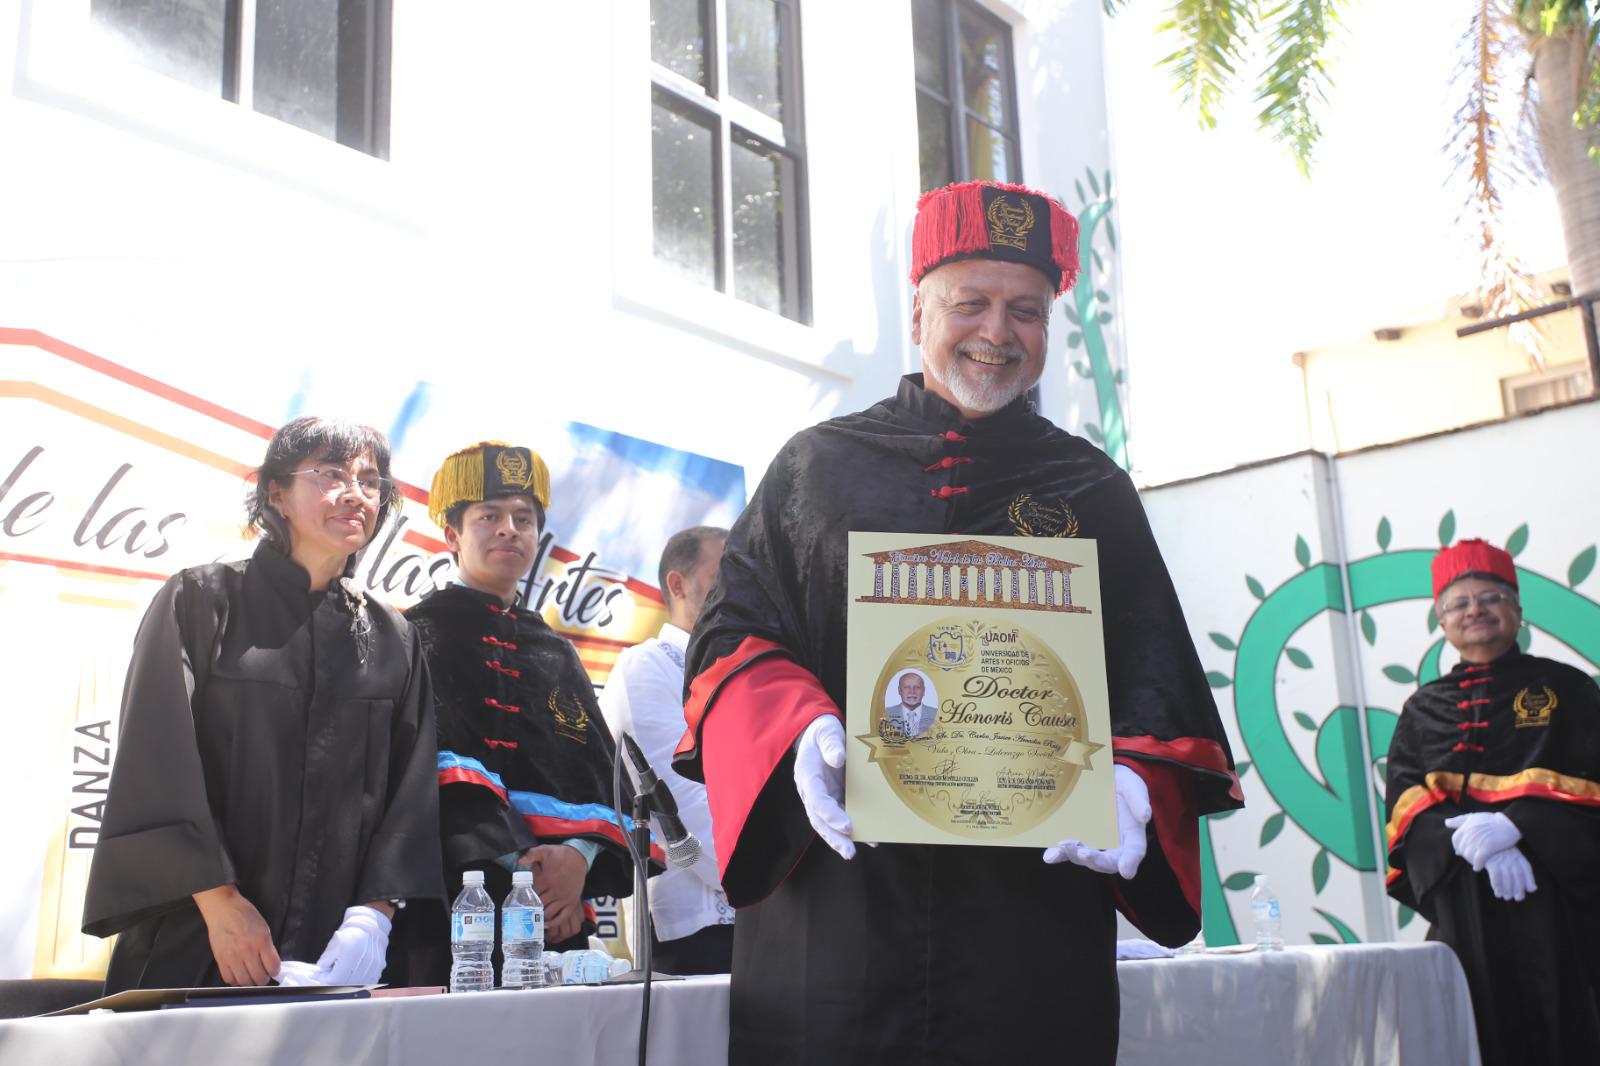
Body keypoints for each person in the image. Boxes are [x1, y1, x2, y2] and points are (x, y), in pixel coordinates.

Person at [673, 180, 1243, 1065]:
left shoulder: (1093, 490)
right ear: (917, 312)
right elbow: (730, 637)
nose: (996, 331)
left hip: (1028, 916)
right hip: (842, 908)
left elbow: (1153, 673)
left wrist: (1132, 784)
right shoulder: (815, 470)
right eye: (969, 302)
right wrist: (800, 728)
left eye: (1025, 310)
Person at [83, 417, 443, 992]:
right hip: (202, 939)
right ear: (276, 492)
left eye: (371, 482)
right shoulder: (201, 602)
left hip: (336, 955)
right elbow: (158, 765)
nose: (356, 494)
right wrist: (222, 906)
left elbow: (412, 792)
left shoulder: (391, 637)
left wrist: (374, 918)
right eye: (331, 474)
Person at [407, 441, 651, 979]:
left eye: (523, 518)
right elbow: (420, 775)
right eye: (488, 516)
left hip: (561, 920)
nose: (508, 530)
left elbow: (595, 776)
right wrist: (522, 872)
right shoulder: (417, 635)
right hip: (455, 906)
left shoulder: (555, 651)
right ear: (453, 535)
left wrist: (577, 863)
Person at [1384, 538, 1600, 1066]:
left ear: (1518, 613)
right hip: (1466, 906)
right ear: (1443, 622)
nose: (1475, 610)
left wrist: (1521, 826)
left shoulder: (1568, 689)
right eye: (1459, 603)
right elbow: (1405, 808)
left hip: (1561, 905)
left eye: (1491, 597)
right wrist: (1463, 839)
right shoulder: (1422, 708)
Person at [600, 526, 737, 975]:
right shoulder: (648, 664)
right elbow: (677, 801)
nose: (737, 590)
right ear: (677, 584)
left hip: (759, 914)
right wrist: (753, 879)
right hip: (695, 924)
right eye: (724, 573)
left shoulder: (744, 672)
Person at [884, 671, 936, 736]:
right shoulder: (886, 714)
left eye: (917, 687)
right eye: (906, 687)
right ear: (899, 690)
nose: (912, 692)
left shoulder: (935, 713)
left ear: (924, 691)